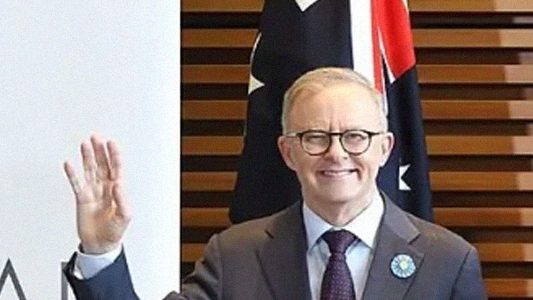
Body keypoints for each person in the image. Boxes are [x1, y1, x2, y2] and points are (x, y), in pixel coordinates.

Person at [61, 68, 486, 300]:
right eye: (315, 137)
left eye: (355, 136)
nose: (336, 153)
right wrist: (102, 252)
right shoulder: (236, 256)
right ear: (288, 152)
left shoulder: (447, 261)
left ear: (385, 148)